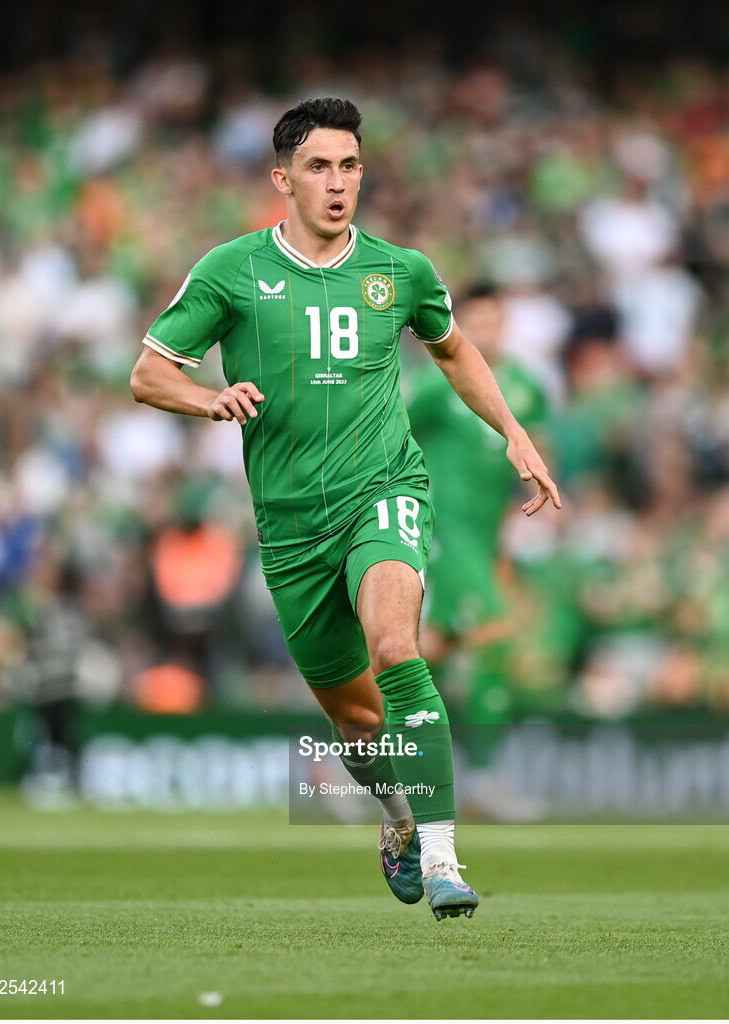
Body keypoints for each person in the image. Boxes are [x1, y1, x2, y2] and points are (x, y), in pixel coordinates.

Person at [130, 97, 561, 920]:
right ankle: (397, 819)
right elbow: (148, 374)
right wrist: (208, 399)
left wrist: (513, 432)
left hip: (383, 492)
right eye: (319, 167)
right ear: (283, 179)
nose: (337, 183)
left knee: (397, 646)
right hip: (290, 526)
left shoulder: (402, 271)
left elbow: (454, 350)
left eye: (350, 166)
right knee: (359, 721)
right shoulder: (230, 269)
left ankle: (444, 860)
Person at [407, 283, 551, 820]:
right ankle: (484, 778)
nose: (487, 330)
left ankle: (357, 753)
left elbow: (535, 447)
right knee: (496, 629)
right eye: (476, 321)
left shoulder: (526, 386)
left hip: (487, 537)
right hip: (442, 527)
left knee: (429, 649)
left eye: (494, 320)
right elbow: (389, 436)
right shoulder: (433, 384)